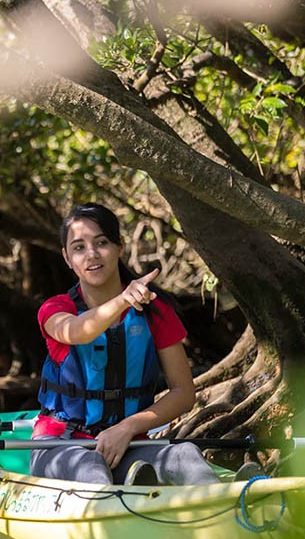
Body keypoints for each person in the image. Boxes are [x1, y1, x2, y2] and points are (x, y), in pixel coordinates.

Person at [31, 203, 221, 486]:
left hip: (127, 443)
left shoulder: (155, 310)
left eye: (102, 242)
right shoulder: (57, 309)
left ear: (120, 246)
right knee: (89, 465)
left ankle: (232, 510)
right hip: (60, 444)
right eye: (79, 247)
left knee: (185, 455)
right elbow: (79, 331)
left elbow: (183, 392)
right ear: (67, 258)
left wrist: (127, 428)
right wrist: (123, 299)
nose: (92, 254)